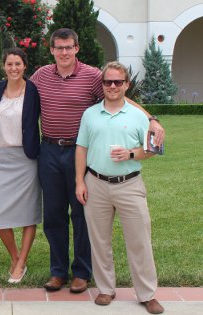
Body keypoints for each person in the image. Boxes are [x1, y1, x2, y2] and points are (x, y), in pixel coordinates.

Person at [30, 28, 165, 293]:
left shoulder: (93, 76)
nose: (64, 52)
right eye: (59, 47)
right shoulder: (40, 76)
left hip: (81, 152)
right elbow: (24, 103)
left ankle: (81, 272)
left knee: (81, 213)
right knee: (54, 215)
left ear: (77, 48)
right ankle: (58, 271)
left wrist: (151, 119)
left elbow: (121, 97)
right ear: (52, 50)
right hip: (48, 152)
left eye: (69, 47)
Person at [75, 61, 164, 314]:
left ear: (126, 85)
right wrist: (80, 181)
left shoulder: (140, 116)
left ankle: (147, 294)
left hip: (130, 185)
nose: (112, 86)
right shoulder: (90, 114)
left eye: (117, 82)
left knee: (139, 241)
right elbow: (81, 148)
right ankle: (106, 289)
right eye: (107, 82)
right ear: (102, 84)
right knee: (99, 241)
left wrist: (131, 154)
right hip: (96, 183)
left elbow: (153, 150)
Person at [0, 48, 41, 283]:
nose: (13, 68)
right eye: (9, 64)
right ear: (4, 66)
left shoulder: (33, 91)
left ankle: (21, 263)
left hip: (27, 159)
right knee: (0, 215)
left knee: (29, 214)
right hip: (2, 158)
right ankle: (14, 255)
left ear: (25, 66)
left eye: (17, 64)